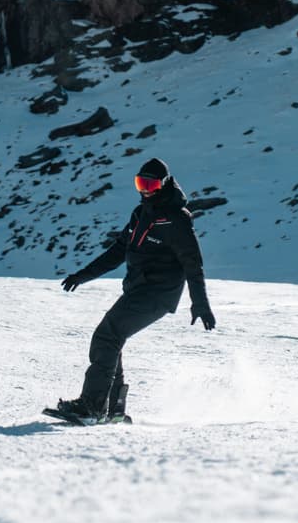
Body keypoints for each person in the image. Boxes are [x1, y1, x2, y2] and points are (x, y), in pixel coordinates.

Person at [52, 158, 216, 423]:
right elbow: (118, 251)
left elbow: (193, 265)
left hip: (159, 294)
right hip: (138, 290)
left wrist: (200, 303)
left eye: (150, 184)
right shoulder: (141, 213)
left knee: (107, 336)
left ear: (163, 184)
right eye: (141, 183)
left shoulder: (177, 220)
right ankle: (113, 410)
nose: (145, 189)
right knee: (111, 339)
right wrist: (83, 275)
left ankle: (92, 407)